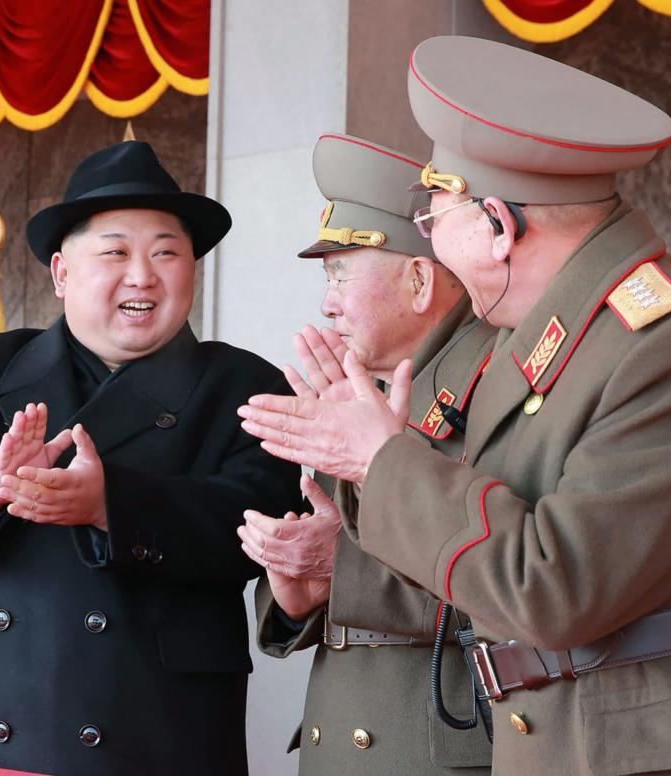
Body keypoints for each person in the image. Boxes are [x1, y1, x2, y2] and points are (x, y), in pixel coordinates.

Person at [239, 37, 671, 775]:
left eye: (435, 221)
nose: (436, 252)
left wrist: (379, 460)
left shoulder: (660, 345)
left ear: (498, 226)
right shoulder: (561, 343)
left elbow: (553, 587)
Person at [0, 141, 301, 776]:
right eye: (115, 252)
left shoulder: (242, 385)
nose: (143, 275)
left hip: (158, 726)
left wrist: (110, 506)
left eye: (166, 253)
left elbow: (262, 524)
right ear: (61, 273)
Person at [240, 133, 494, 774]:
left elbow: (518, 575)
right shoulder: (361, 392)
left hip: (436, 745)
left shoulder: (497, 384)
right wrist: (295, 589)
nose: (327, 302)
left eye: (340, 273)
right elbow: (327, 565)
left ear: (417, 279)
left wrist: (340, 568)